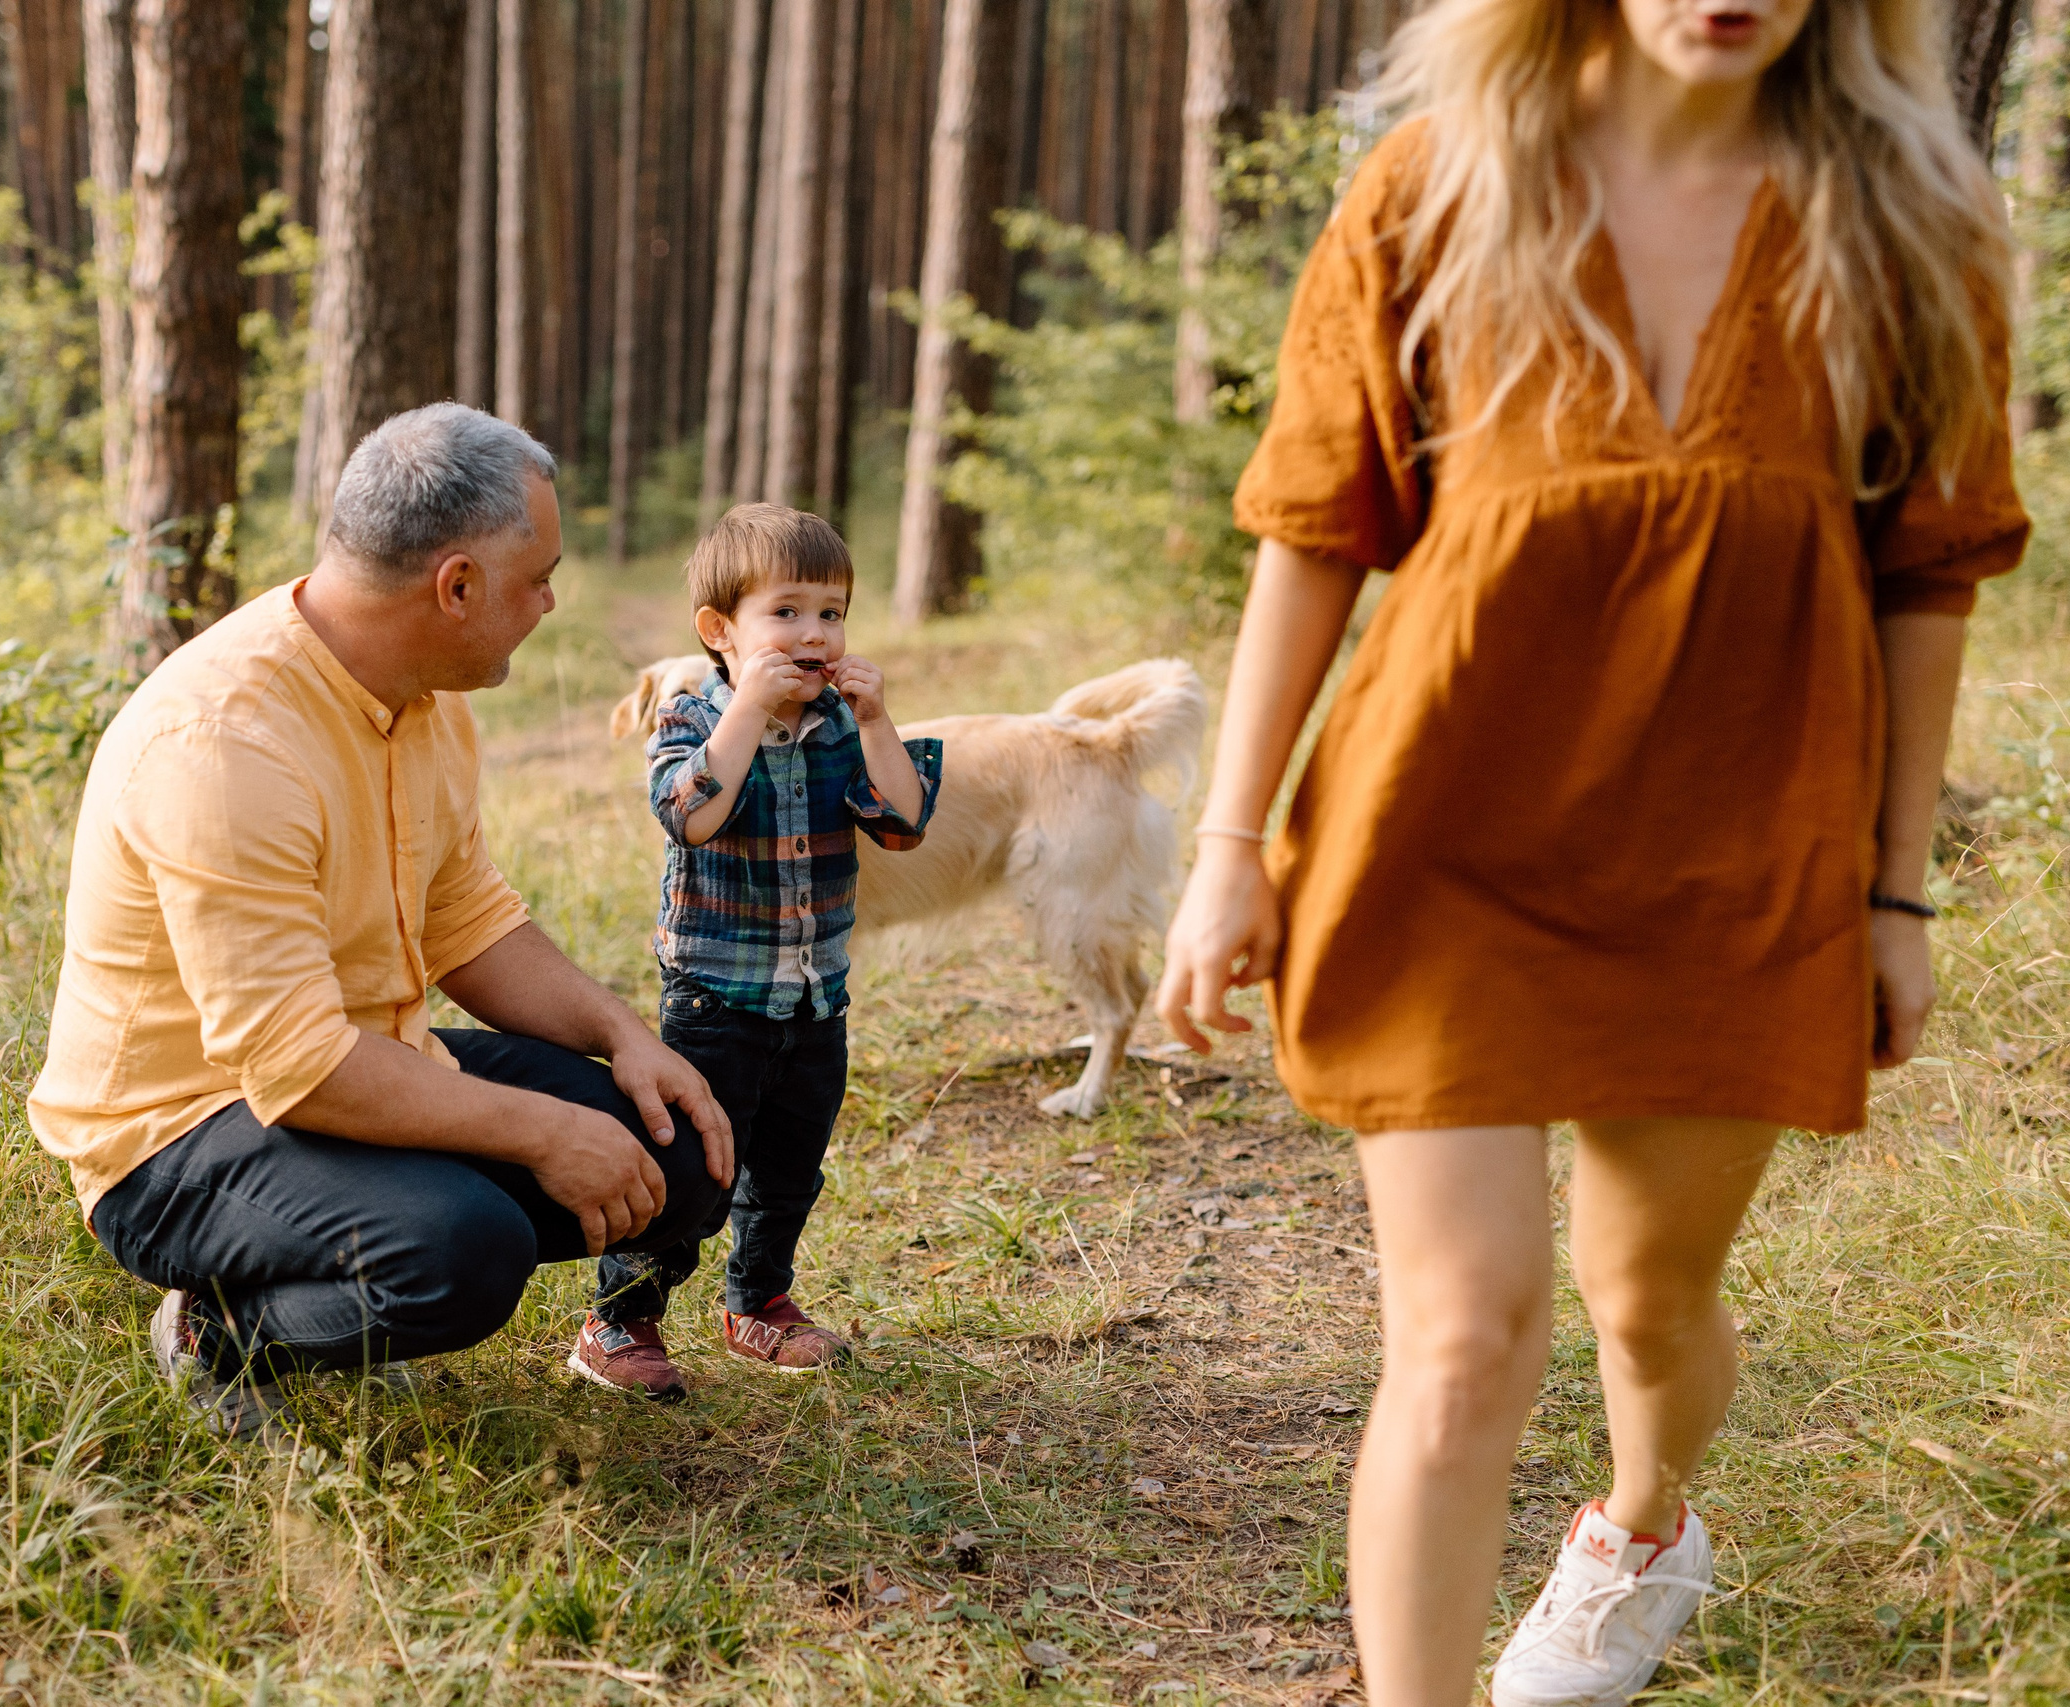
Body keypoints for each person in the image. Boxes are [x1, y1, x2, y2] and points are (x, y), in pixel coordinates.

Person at [1153, 3, 2027, 1704]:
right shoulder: (1436, 188)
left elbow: (1933, 576)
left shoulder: (1910, 223)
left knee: (1647, 1302)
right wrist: (1230, 838)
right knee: (1465, 1337)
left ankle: (1640, 1524)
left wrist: (1894, 888)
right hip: (1445, 827)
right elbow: (1317, 530)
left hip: (1740, 839)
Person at [28, 403, 734, 1438]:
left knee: (677, 1158)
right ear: (455, 586)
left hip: (362, 1062)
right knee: (461, 1254)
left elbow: (468, 920)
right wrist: (544, 1130)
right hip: (180, 1133)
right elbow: (294, 1061)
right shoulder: (225, 743)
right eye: (536, 575)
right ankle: (219, 1328)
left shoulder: (423, 691)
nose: (549, 599)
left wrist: (626, 1041)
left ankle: (351, 1252)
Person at [567, 504, 942, 1398]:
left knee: (789, 1165)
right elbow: (689, 812)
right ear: (719, 631)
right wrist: (747, 706)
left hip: (816, 998)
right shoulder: (694, 716)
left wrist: (880, 718)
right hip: (715, 998)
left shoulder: (842, 725)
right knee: (692, 1166)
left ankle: (759, 1300)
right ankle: (619, 1319)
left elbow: (903, 824)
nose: (814, 633)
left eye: (832, 612)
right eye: (787, 612)